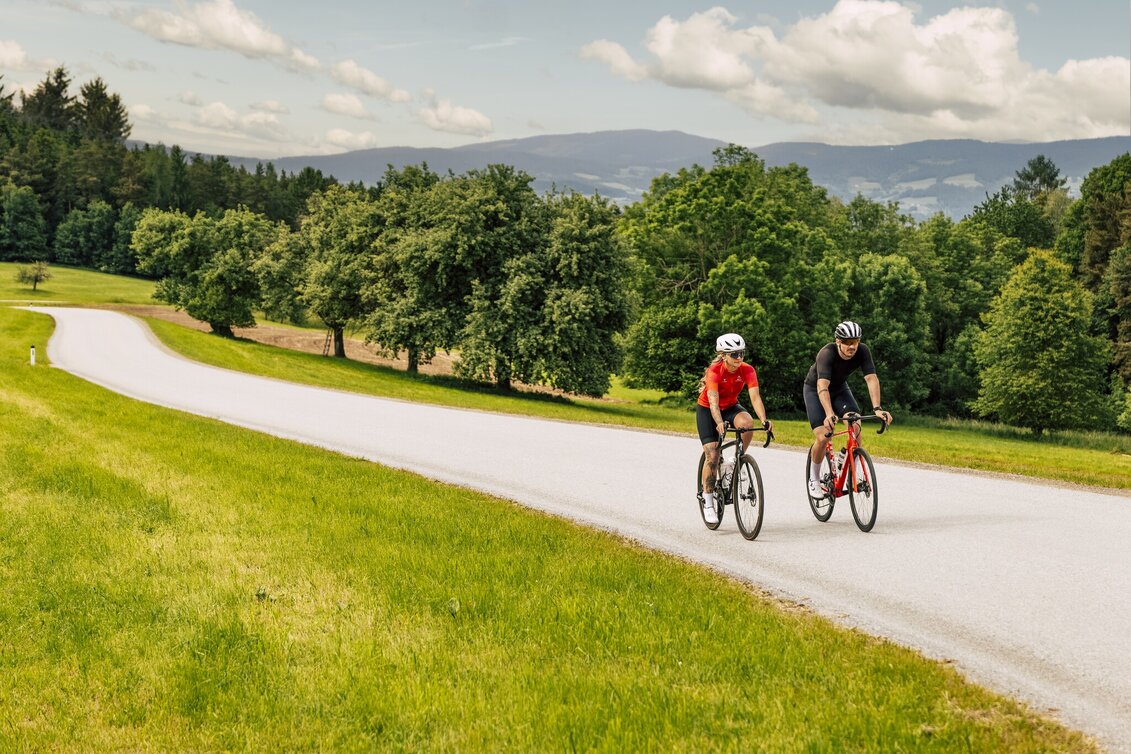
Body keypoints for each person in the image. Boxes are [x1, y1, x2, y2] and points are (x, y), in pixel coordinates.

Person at [803, 320, 894, 497]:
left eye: (855, 341)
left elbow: (871, 379)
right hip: (816, 390)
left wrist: (877, 408)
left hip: (839, 389)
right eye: (847, 342)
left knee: (855, 424)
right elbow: (822, 386)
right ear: (838, 341)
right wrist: (829, 413)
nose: (852, 346)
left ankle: (848, 463)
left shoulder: (863, 351)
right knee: (823, 436)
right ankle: (813, 479)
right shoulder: (826, 353)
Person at [696, 333, 773, 525]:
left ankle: (735, 460)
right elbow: (713, 402)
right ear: (723, 355)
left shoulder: (747, 370)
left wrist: (764, 420)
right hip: (708, 409)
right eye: (734, 355)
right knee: (712, 456)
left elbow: (755, 398)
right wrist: (719, 422)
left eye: (742, 354)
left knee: (747, 423)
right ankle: (708, 500)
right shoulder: (715, 371)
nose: (739, 358)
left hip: (730, 406)